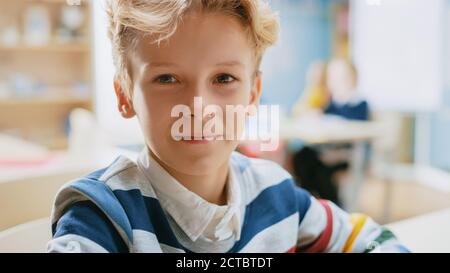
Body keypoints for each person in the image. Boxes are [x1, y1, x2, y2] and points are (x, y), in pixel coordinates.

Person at [47, 0, 407, 253]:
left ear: (253, 94)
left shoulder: (277, 192)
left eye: (223, 78)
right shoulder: (101, 215)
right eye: (167, 78)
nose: (199, 108)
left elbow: (368, 238)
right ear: (125, 95)